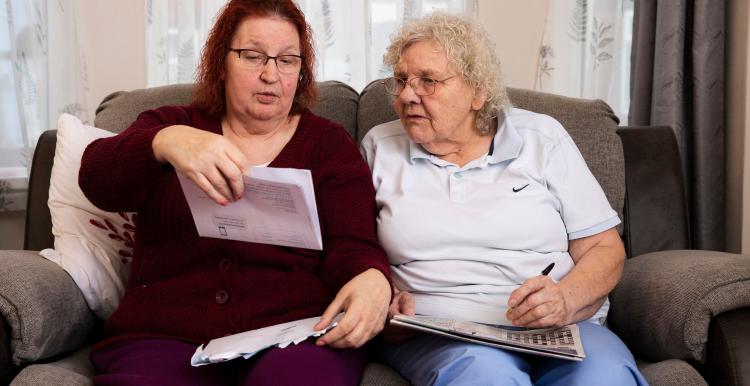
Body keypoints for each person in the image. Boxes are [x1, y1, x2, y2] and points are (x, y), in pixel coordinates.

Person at [79, 1, 391, 385]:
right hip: (167, 333)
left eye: (287, 60)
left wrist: (372, 277)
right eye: (252, 56)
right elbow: (96, 181)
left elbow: (354, 244)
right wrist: (163, 142)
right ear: (221, 63)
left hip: (295, 336)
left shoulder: (329, 145)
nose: (270, 75)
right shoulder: (172, 124)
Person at [360, 12, 649, 386]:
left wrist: (565, 297)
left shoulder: (541, 137)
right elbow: (352, 249)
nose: (406, 95)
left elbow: (603, 247)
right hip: (436, 332)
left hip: (557, 324)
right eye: (401, 80)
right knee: (484, 375)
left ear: (478, 92)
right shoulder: (379, 147)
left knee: (603, 377)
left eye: (428, 81)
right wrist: (386, 303)